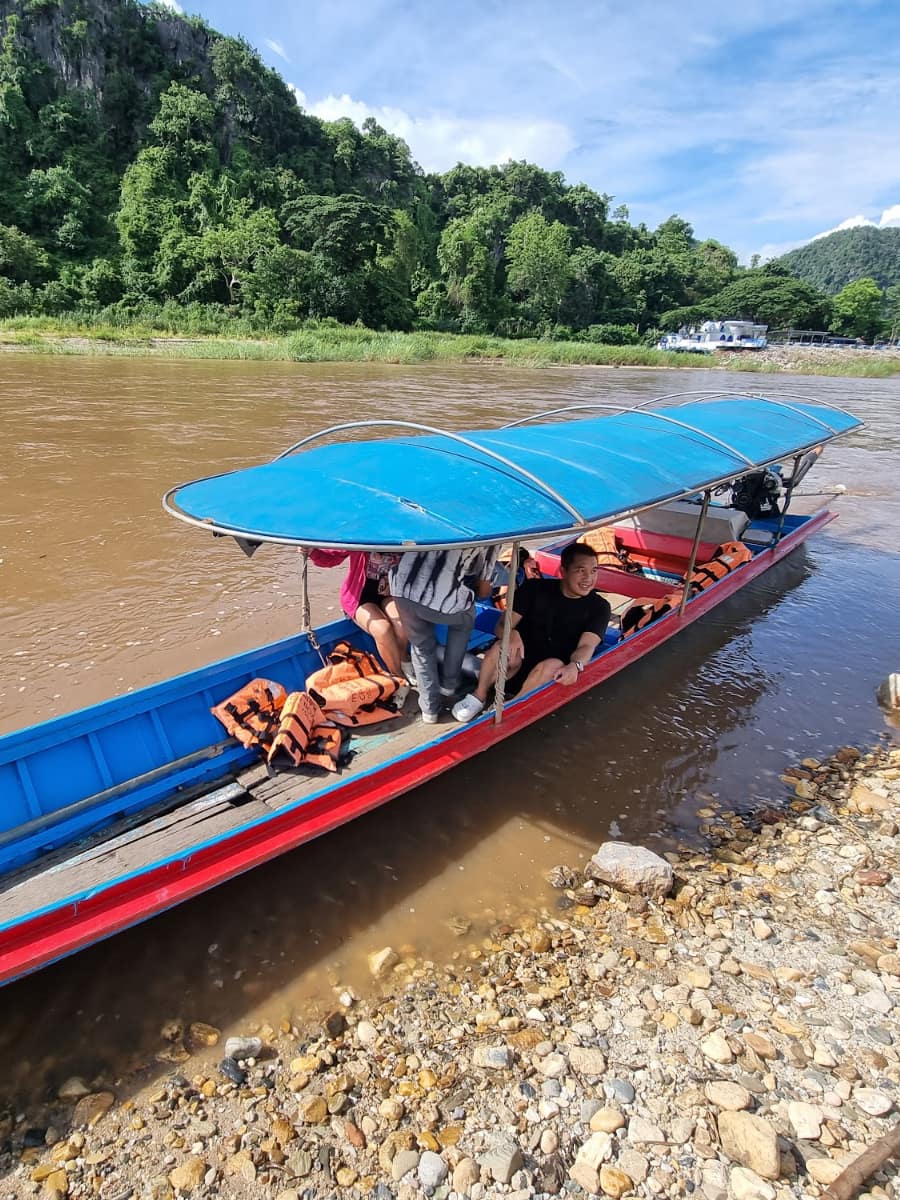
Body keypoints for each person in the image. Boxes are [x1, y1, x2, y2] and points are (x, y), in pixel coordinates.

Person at [452, 541, 611, 723]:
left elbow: (587, 645)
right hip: (516, 664)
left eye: (594, 571)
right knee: (500, 645)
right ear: (563, 571)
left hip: (548, 674)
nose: (588, 578)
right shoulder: (534, 589)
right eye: (580, 570)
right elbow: (502, 625)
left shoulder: (599, 607)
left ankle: (511, 707)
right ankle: (478, 697)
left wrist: (575, 666)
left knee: (552, 664)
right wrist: (511, 634)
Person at [390, 545, 498, 724]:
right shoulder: (491, 536)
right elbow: (485, 590)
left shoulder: (434, 517)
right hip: (441, 597)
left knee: (420, 646)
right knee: (464, 621)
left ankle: (429, 709)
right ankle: (450, 683)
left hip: (402, 588)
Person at [304, 549, 409, 678]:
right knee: (383, 630)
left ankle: (405, 660)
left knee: (403, 626)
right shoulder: (361, 536)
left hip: (390, 593)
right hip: (359, 596)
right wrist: (312, 552)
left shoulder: (401, 536)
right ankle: (398, 677)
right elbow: (332, 557)